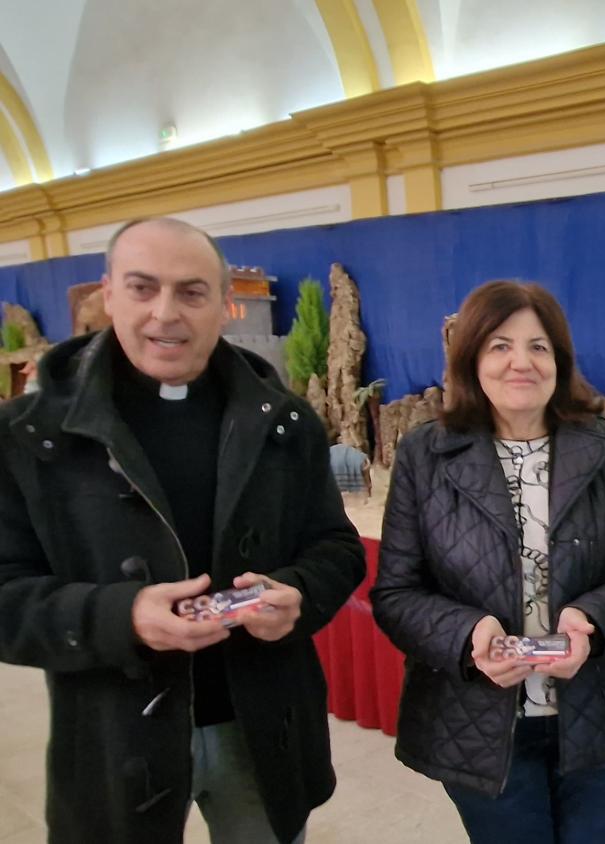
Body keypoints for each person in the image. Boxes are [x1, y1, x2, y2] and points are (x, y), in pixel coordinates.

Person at [0, 217, 365, 843]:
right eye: (142, 288)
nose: (165, 313)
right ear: (109, 294)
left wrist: (299, 594)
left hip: (262, 726)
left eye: (191, 292)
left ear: (224, 304)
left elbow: (336, 547)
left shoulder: (285, 421)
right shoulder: (29, 435)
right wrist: (123, 616)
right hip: (116, 735)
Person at [372, 279, 605, 843]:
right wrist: (467, 634)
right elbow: (396, 593)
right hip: (477, 721)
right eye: (500, 346)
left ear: (559, 359)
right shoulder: (425, 454)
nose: (521, 362)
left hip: (599, 708)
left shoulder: (604, 445)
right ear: (472, 358)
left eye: (538, 346)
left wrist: (592, 620)